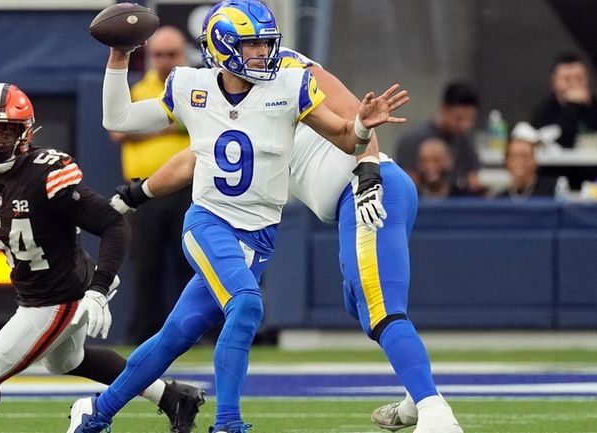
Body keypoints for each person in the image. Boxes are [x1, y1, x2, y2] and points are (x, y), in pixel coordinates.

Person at [107, 11, 463, 433]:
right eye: (251, 45)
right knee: (360, 303)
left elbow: (356, 117)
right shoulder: (212, 90)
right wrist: (137, 193)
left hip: (365, 190)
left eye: (264, 44)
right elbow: (197, 159)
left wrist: (367, 170)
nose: (261, 54)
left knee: (380, 308)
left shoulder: (291, 72)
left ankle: (436, 413)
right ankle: (413, 397)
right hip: (347, 198)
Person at [0, 83, 204, 433]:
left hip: (57, 297)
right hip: (41, 290)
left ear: (26, 134)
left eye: (6, 132)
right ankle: (173, 398)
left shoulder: (48, 174)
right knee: (69, 361)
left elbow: (113, 224)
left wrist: (98, 289)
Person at [108, 25, 195, 345]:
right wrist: (171, 126)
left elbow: (203, 123)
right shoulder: (138, 89)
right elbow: (118, 131)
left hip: (188, 189)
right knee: (146, 266)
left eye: (171, 54)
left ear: (183, 55)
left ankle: (201, 330)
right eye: (159, 54)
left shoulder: (194, 87)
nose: (166, 60)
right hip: (143, 191)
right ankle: (144, 333)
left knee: (193, 262)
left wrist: (146, 126)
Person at [395, 81, 482, 193]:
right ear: (444, 108)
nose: (464, 125)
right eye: (459, 118)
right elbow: (405, 186)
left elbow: (473, 179)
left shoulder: (466, 141)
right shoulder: (412, 140)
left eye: (470, 120)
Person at [530, 52, 597, 149]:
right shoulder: (543, 112)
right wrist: (572, 105)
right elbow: (562, 141)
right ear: (554, 82)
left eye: (579, 78)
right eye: (567, 79)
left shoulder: (595, 106)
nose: (574, 83)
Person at [495, 122, 556, 200]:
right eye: (514, 156)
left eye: (525, 156)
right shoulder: (500, 200)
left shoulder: (551, 194)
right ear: (506, 161)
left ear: (534, 160)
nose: (519, 162)